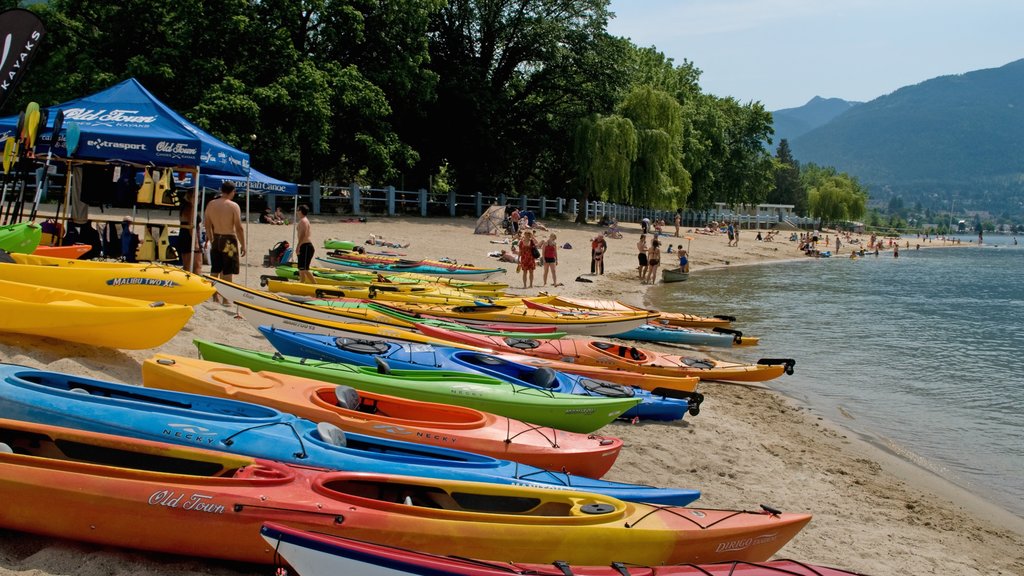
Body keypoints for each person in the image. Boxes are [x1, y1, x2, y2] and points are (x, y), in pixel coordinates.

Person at [204, 181, 246, 305]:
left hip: (216, 237)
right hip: (229, 239)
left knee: (215, 268)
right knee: (228, 270)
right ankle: (226, 298)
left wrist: (211, 238)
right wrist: (243, 244)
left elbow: (207, 225)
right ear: (232, 191)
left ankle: (214, 296)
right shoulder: (233, 206)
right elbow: (238, 227)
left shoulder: (211, 204)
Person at [177, 190, 202, 274]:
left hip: (184, 234)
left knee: (187, 265)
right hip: (190, 236)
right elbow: (191, 225)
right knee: (197, 265)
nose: (199, 199)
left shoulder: (184, 206)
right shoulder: (190, 207)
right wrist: (196, 242)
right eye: (197, 197)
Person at [296, 204, 315, 284]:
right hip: (304, 246)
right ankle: (302, 282)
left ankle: (315, 284)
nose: (296, 212)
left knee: (305, 269)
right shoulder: (303, 220)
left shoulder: (304, 221)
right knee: (301, 268)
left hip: (306, 246)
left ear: (300, 211)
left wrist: (298, 246)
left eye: (297, 210)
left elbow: (303, 234)